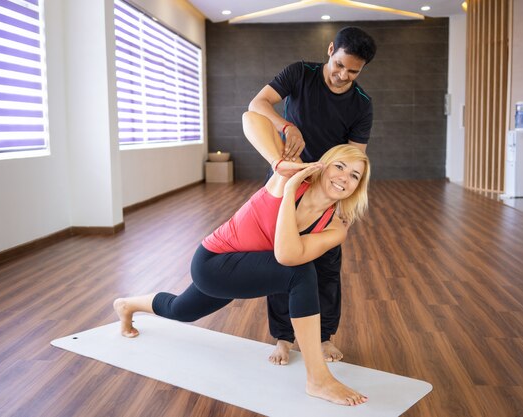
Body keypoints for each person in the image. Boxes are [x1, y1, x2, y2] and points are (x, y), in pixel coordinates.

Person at [113, 111, 371, 406]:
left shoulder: (336, 225)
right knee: (300, 273)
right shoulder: (287, 179)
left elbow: (286, 253)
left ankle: (127, 304)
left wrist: (287, 195)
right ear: (322, 167)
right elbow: (250, 116)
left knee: (181, 310)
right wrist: (283, 175)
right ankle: (318, 378)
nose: (344, 178)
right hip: (214, 262)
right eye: (340, 166)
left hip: (242, 268)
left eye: (354, 175)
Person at [248, 26, 376, 365]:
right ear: (331, 49)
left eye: (353, 71)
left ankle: (323, 338)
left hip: (327, 190)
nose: (342, 75)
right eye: (339, 65)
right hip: (287, 181)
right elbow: (257, 104)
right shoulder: (299, 73)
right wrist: (286, 126)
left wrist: (345, 201)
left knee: (327, 267)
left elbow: (354, 156)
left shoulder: (361, 104)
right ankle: (283, 338)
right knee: (281, 260)